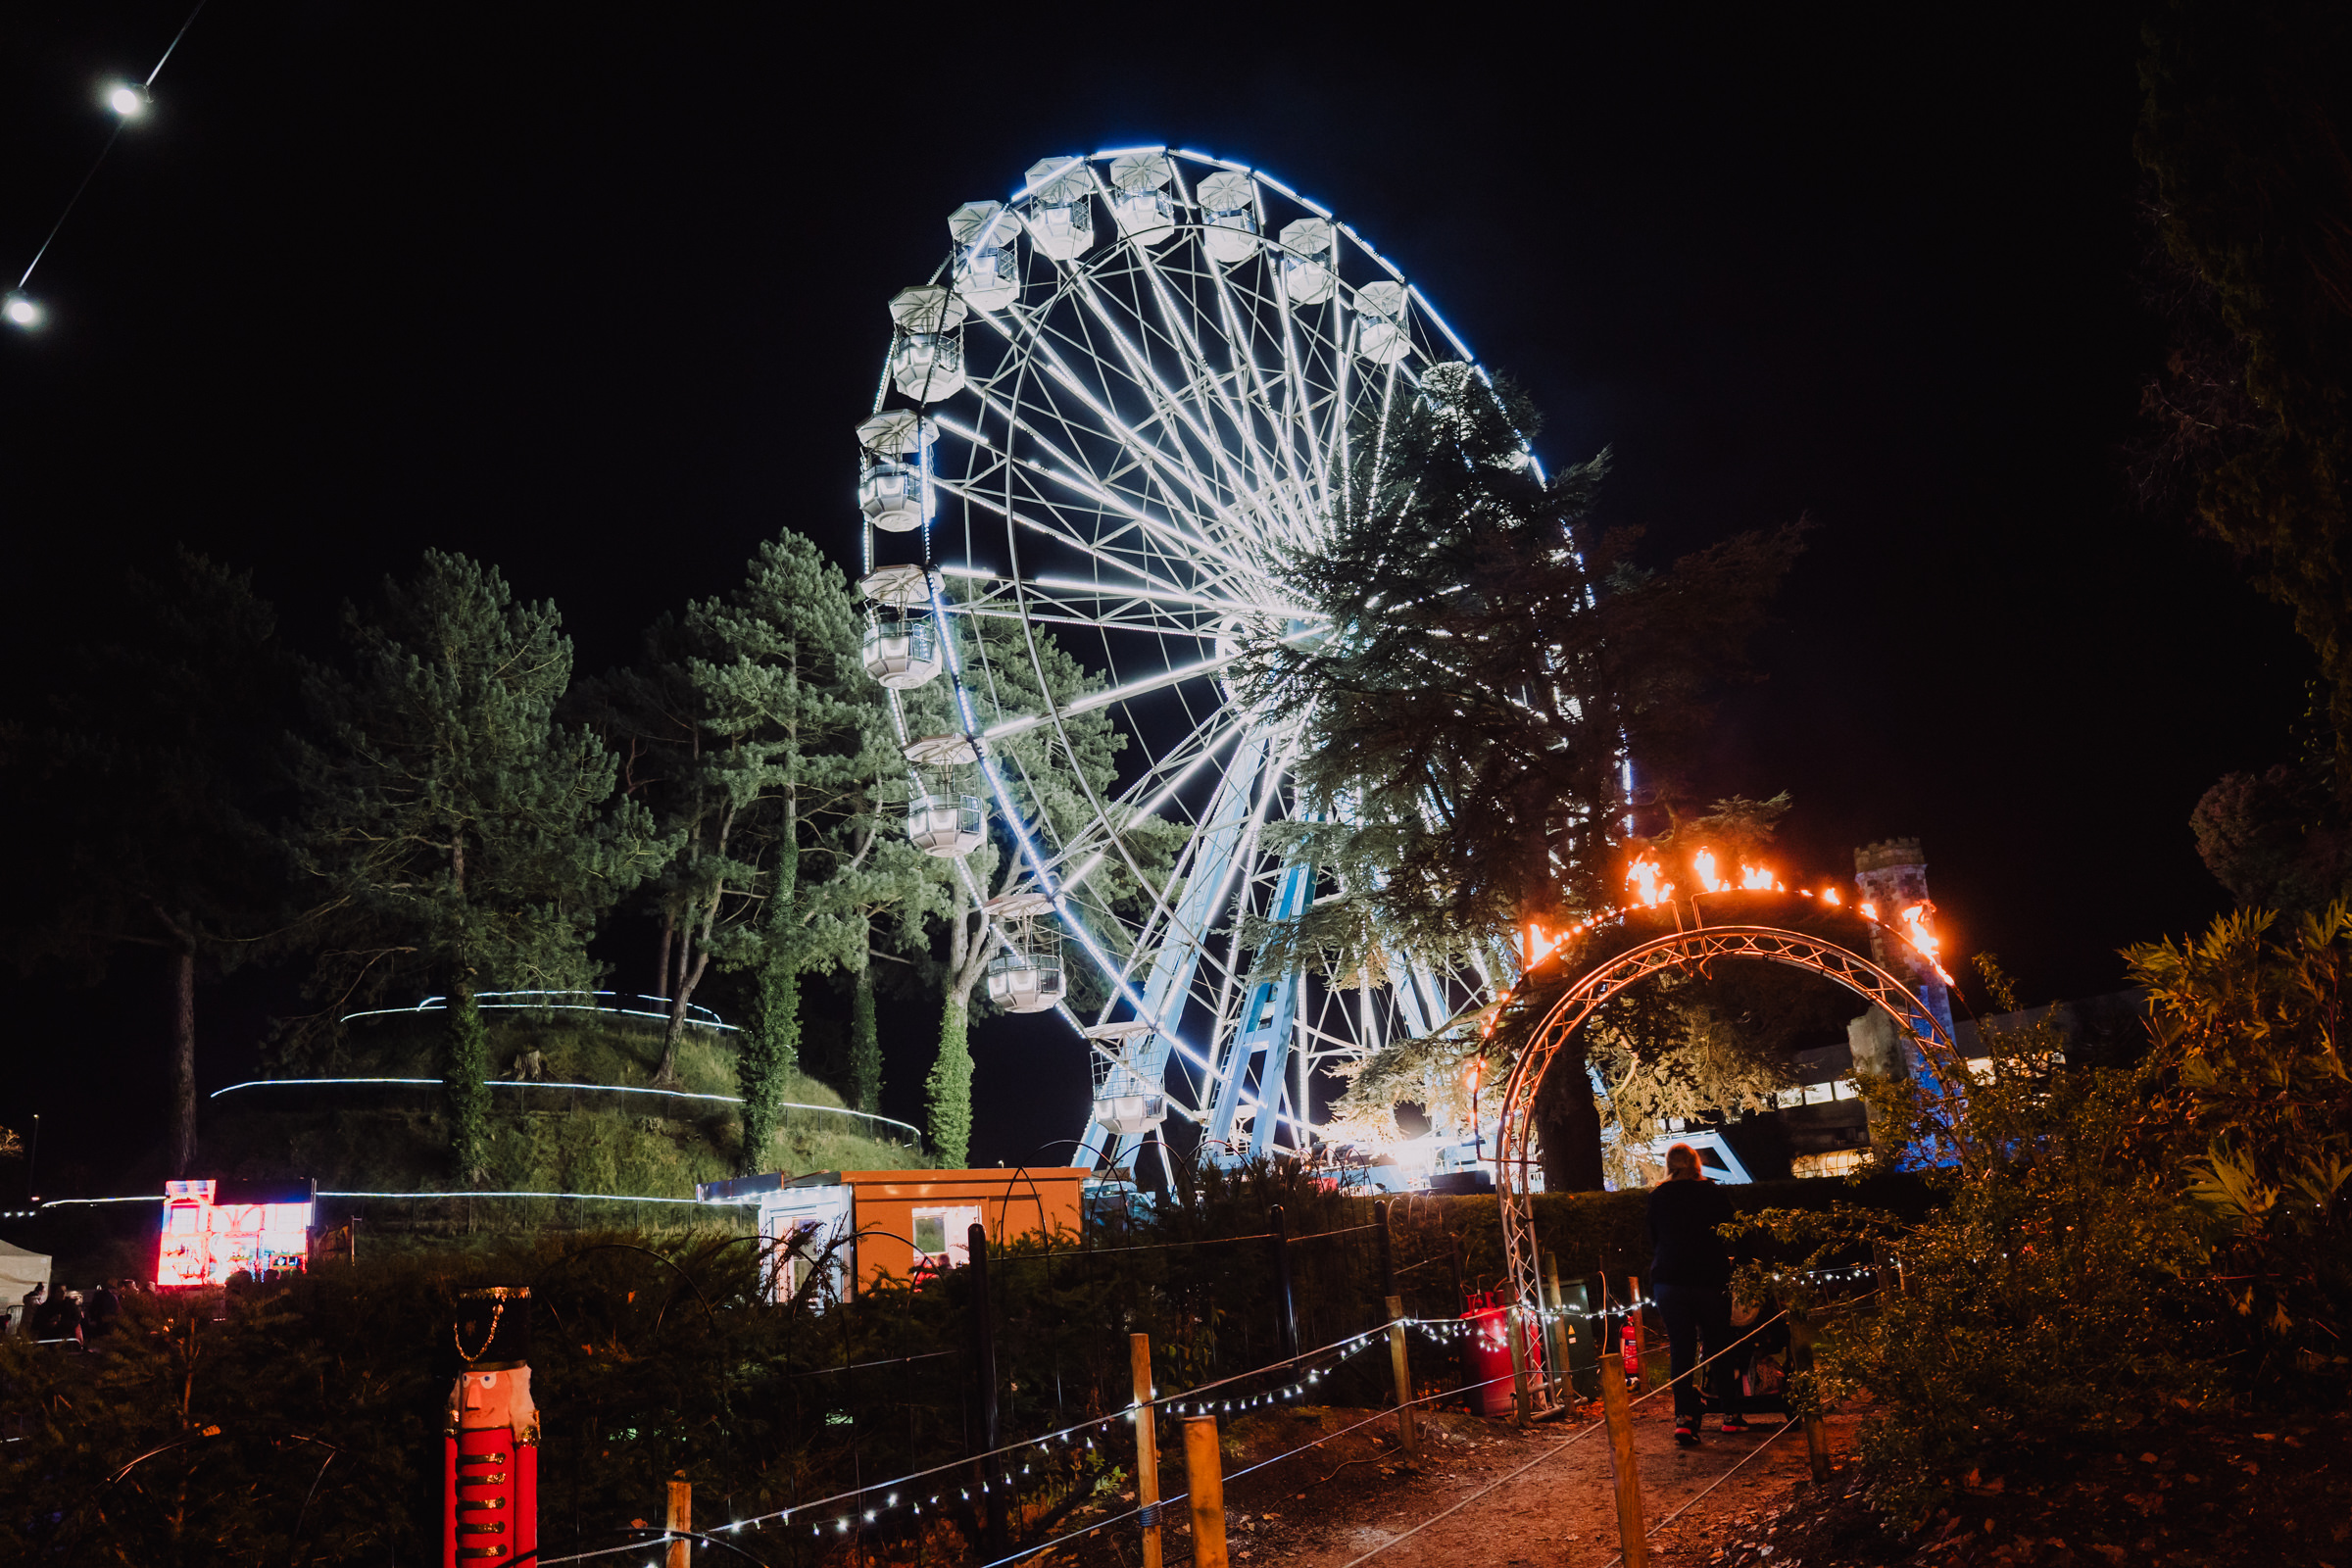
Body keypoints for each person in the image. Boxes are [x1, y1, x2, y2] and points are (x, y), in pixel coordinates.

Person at [1647, 1142, 1741, 1446]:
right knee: (1718, 1344)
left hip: (1670, 1279)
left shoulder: (1658, 1196)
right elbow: (1732, 1230)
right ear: (1695, 1163)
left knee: (1681, 1348)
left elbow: (1652, 1237)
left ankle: (1684, 1418)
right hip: (1708, 1277)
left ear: (1670, 1164)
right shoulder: (1712, 1193)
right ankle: (1730, 1413)